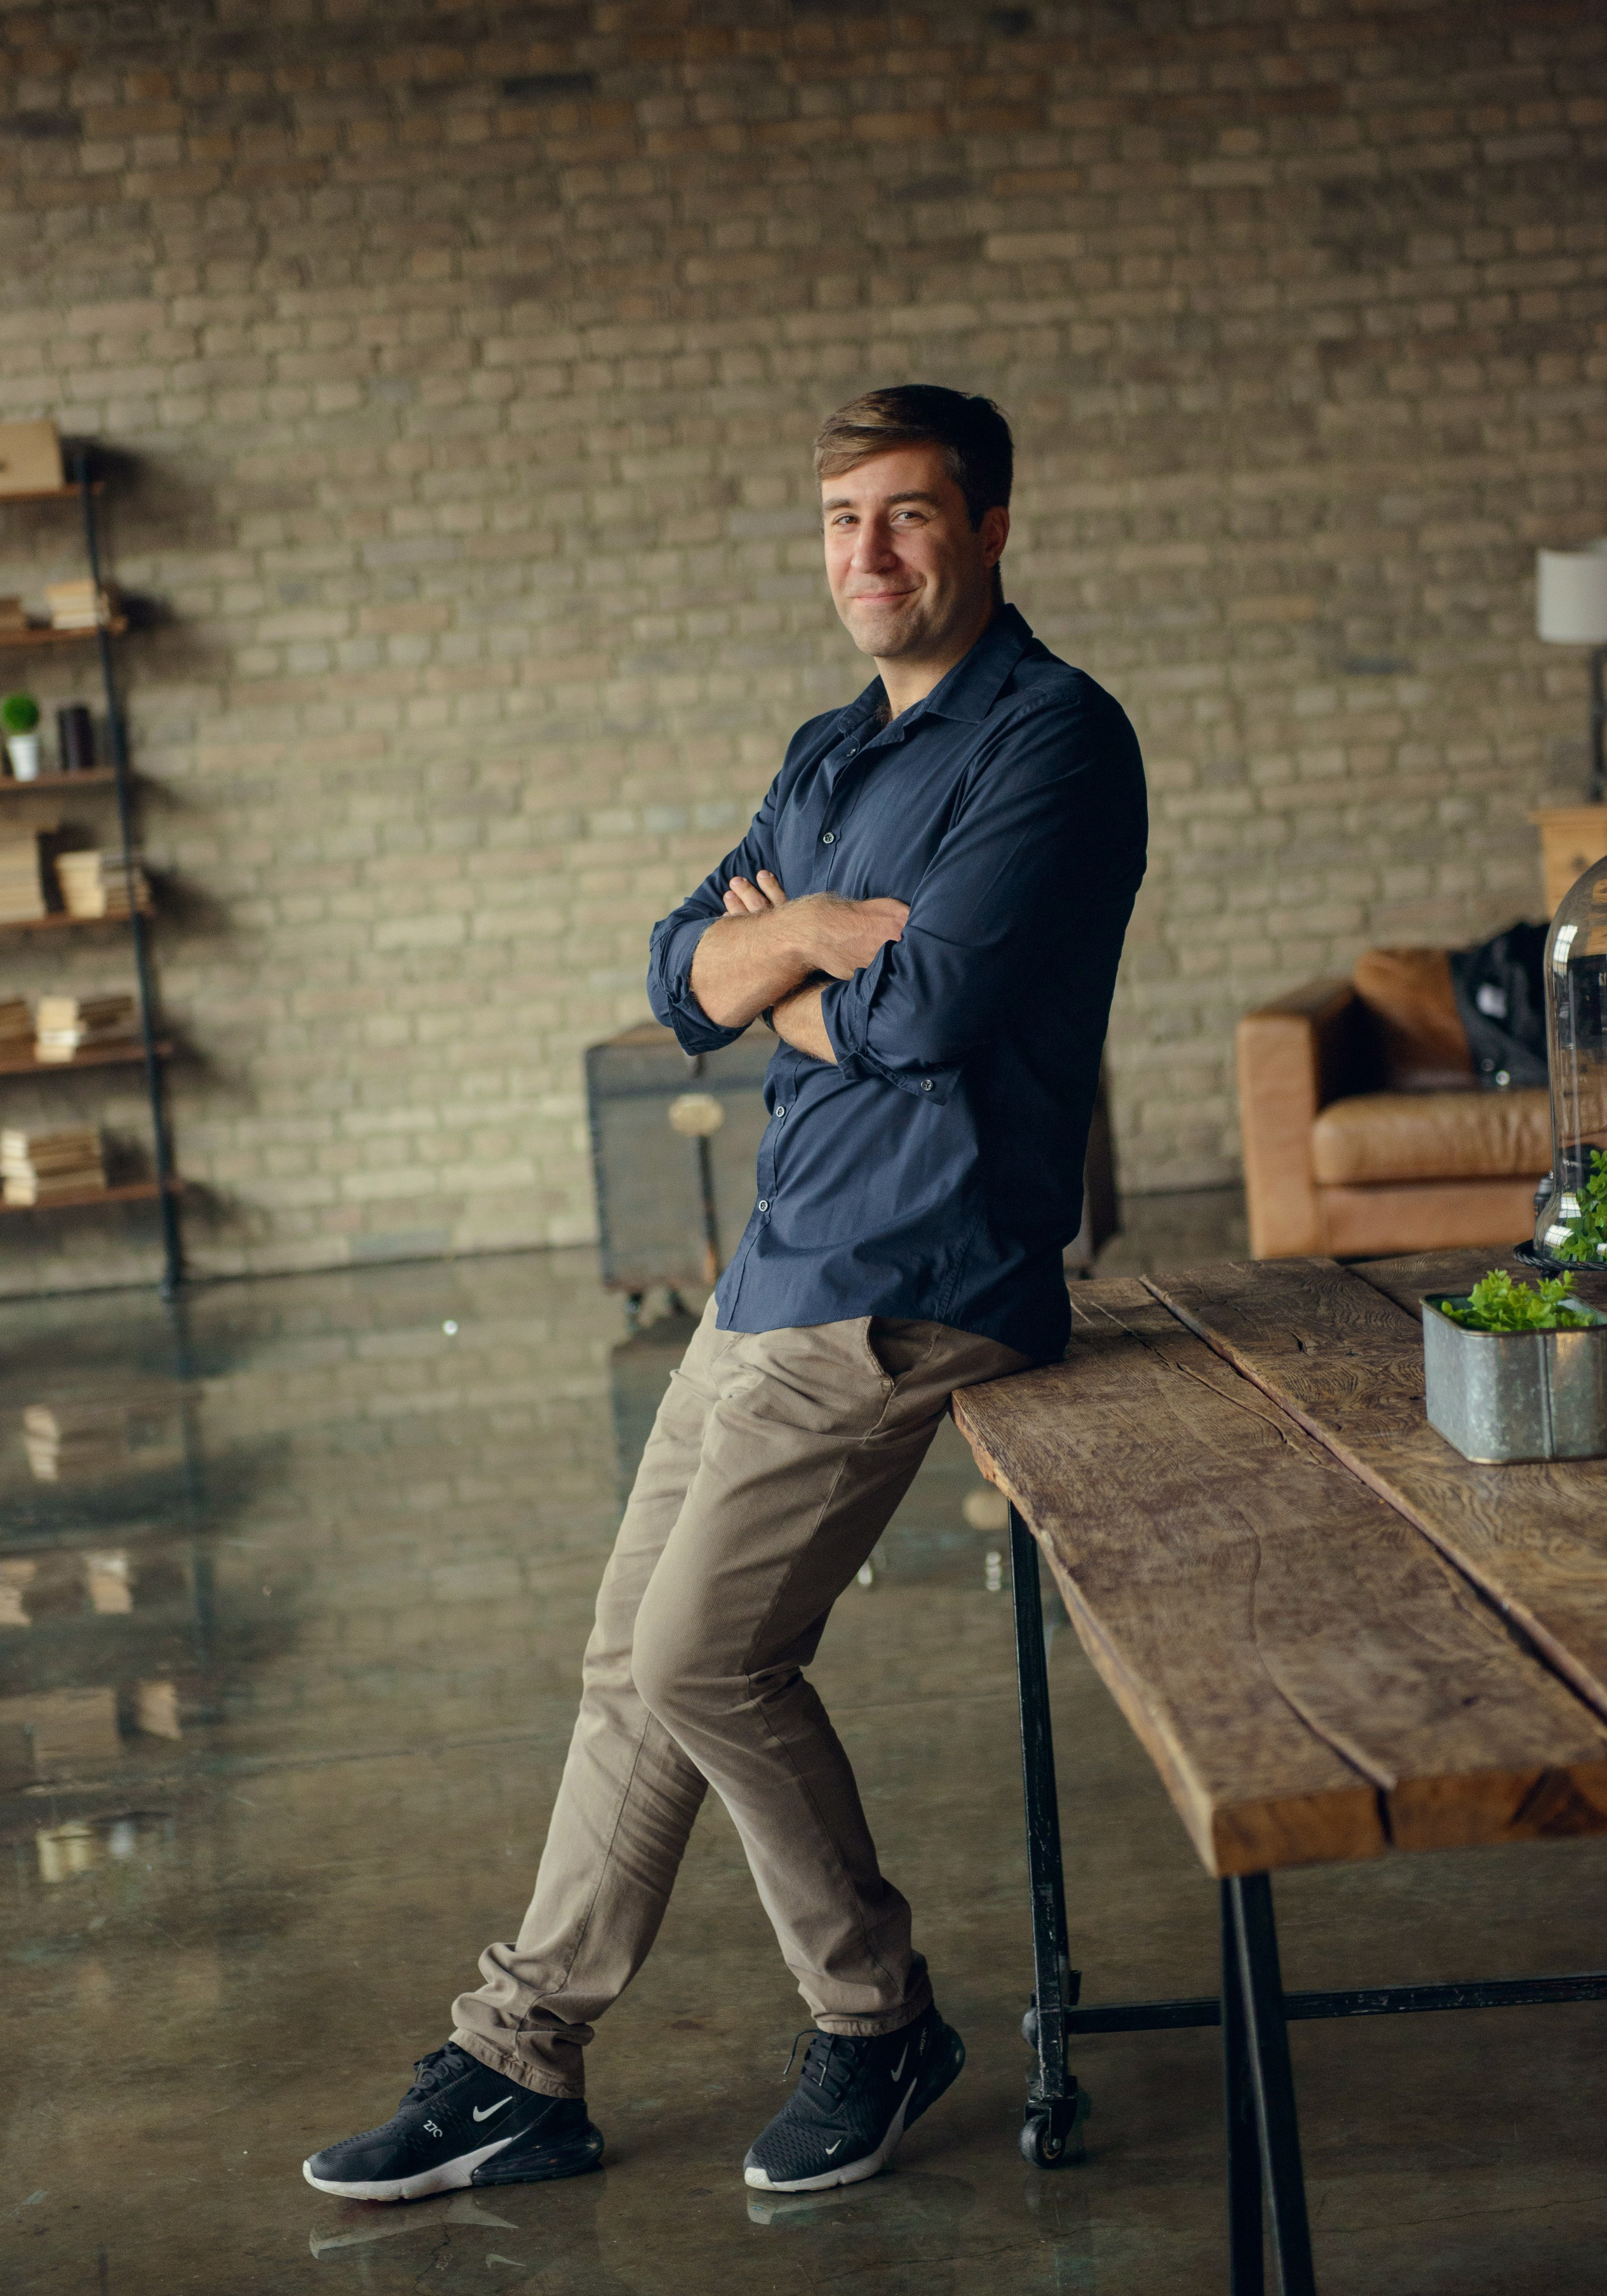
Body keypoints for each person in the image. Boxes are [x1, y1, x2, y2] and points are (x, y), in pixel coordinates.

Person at [303, 384, 1147, 2205]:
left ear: (992, 529)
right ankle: (521, 2056)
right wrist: (798, 951)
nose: (869, 552)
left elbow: (932, 1012)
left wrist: (799, 975)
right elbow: (679, 974)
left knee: (700, 1655)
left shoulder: (1056, 740)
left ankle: (877, 2016)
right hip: (769, 1266)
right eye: (842, 517)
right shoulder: (831, 748)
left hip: (917, 1274)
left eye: (908, 515)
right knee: (629, 1667)